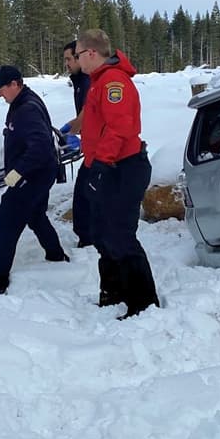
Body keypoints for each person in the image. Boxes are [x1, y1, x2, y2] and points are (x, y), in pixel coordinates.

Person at [74, 29, 160, 318]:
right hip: (107, 166)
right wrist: (74, 130)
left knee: (120, 234)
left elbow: (121, 127)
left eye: (77, 54)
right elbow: (96, 121)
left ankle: (144, 302)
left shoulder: (113, 82)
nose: (75, 60)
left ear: (90, 53)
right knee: (100, 231)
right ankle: (113, 291)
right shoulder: (98, 82)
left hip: (124, 167)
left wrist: (101, 163)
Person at [0, 66, 69, 294]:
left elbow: (39, 148)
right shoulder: (23, 102)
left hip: (32, 176)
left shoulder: (26, 109)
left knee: (6, 224)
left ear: (15, 84)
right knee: (36, 216)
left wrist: (18, 172)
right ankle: (56, 255)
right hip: (40, 174)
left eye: (1, 89)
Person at [61, 40, 92, 248]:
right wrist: (66, 129)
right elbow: (82, 116)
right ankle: (87, 236)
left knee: (84, 194)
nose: (67, 63)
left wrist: (71, 131)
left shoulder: (88, 80)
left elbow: (88, 113)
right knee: (84, 194)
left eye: (69, 59)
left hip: (103, 150)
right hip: (92, 146)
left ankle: (89, 238)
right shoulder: (79, 81)